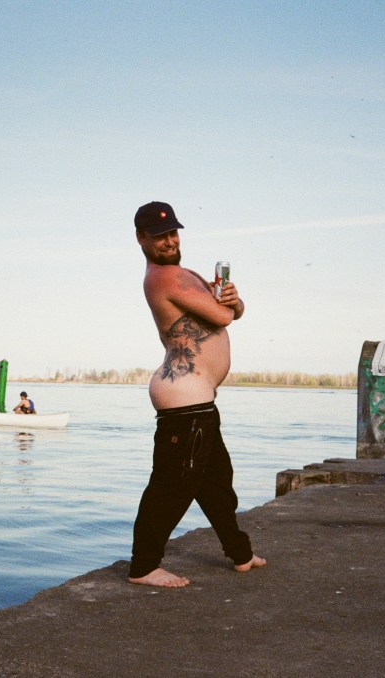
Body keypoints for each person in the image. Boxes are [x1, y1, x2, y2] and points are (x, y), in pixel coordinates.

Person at [128, 200, 265, 588]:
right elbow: (221, 316)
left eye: (173, 233)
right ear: (141, 239)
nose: (169, 241)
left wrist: (235, 299)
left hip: (198, 398)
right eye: (159, 236)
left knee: (216, 483)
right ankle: (143, 567)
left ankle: (240, 554)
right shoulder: (162, 278)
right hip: (183, 399)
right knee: (171, 487)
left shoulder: (184, 274)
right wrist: (229, 306)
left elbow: (231, 310)